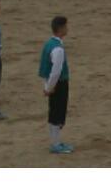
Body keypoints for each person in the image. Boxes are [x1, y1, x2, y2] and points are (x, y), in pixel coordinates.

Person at [40, 15, 74, 154]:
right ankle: (55, 144)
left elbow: (46, 70)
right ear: (60, 29)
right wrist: (49, 88)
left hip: (52, 84)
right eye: (66, 26)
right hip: (58, 85)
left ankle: (57, 142)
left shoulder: (49, 44)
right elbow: (56, 71)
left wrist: (46, 86)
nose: (68, 28)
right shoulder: (58, 49)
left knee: (55, 113)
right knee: (57, 114)